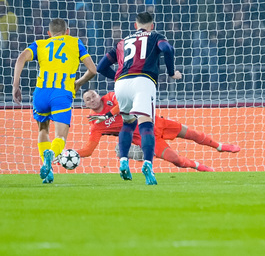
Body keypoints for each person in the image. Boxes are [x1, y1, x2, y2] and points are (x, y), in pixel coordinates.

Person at [96, 12, 182, 185]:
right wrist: (172, 72)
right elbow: (167, 49)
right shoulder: (156, 36)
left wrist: (118, 78)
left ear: (135, 26)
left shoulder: (122, 42)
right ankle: (148, 164)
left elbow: (101, 67)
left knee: (128, 123)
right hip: (143, 82)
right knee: (146, 124)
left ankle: (123, 161)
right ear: (153, 25)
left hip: (121, 84)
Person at [12, 18, 97, 183]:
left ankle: (47, 166)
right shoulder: (75, 42)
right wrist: (78, 83)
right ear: (67, 31)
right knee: (60, 136)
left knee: (43, 130)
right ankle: (51, 155)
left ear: (48, 33)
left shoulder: (40, 44)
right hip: (62, 93)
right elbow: (92, 69)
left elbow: (21, 58)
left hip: (41, 93)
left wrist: (16, 86)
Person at [80, 90, 241, 171]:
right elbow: (89, 150)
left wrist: (107, 115)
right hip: (146, 138)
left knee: (192, 133)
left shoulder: (110, 97)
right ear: (86, 105)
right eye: (88, 99)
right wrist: (71, 153)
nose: (92, 100)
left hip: (154, 121)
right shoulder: (96, 124)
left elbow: (123, 104)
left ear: (98, 95)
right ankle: (198, 166)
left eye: (93, 96)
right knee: (175, 159)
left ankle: (220, 146)